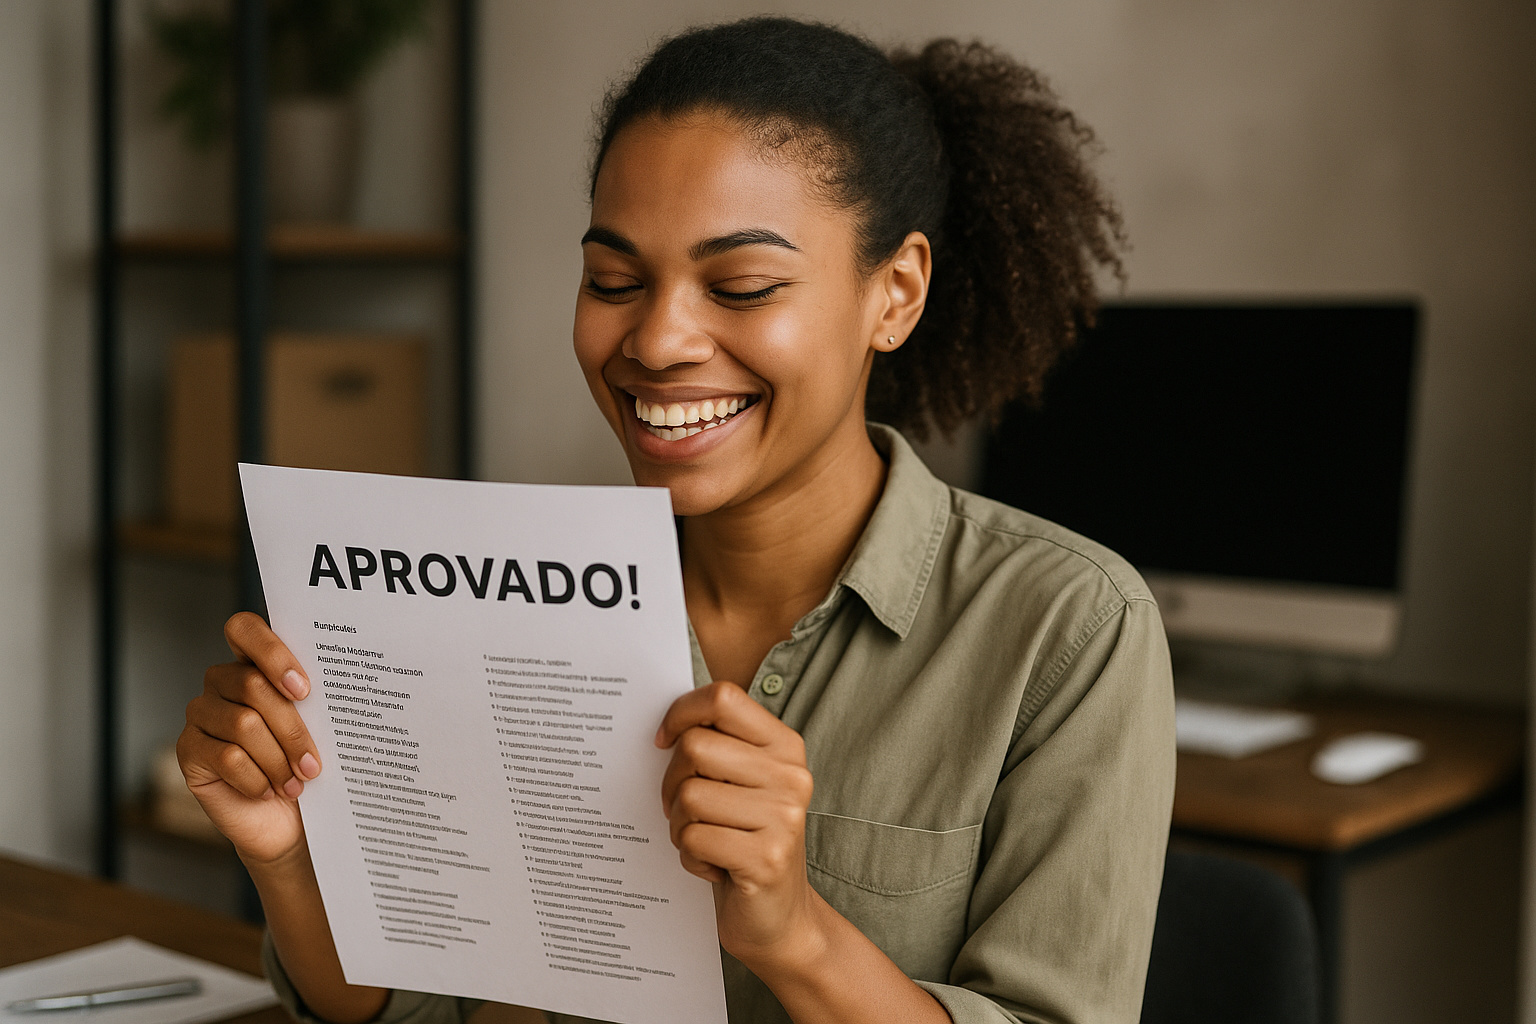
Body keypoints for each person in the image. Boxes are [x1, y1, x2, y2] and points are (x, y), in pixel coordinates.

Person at [178, 16, 1174, 1024]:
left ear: (896, 293)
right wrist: (295, 858)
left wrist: (795, 934)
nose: (656, 339)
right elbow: (433, 1011)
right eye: (614, 281)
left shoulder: (1068, 629)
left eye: (741, 285)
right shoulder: (502, 599)